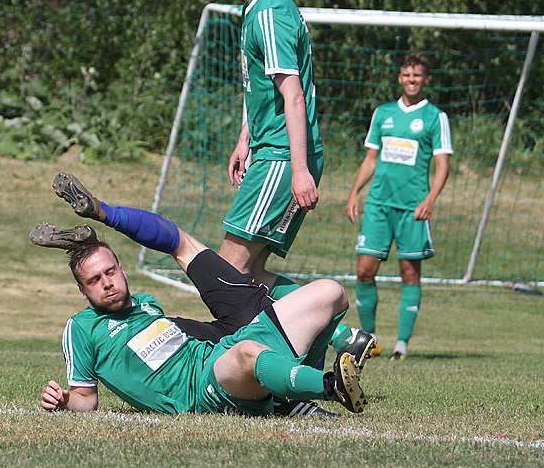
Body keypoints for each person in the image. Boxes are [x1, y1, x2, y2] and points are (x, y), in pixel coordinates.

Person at [31, 173, 376, 416]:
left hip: (225, 337)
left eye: (110, 272)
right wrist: (64, 402)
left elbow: (176, 242)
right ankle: (330, 384)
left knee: (331, 293)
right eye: (94, 280)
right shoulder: (83, 327)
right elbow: (83, 398)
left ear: (123, 269)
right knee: (247, 348)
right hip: (215, 372)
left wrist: (105, 214)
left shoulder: (148, 305)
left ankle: (292, 392)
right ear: (81, 290)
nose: (107, 283)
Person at [211, 0, 323, 301]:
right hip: (269, 152)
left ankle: (240, 354)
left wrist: (300, 169)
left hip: (282, 158)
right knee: (250, 271)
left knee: (226, 270)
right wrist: (245, 139)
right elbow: (258, 87)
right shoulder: (256, 7)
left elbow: (293, 97)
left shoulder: (270, 14)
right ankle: (343, 335)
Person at [342, 52, 454, 360]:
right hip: (378, 204)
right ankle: (370, 342)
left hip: (412, 208)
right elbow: (371, 158)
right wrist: (354, 192)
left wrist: (430, 199)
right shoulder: (383, 113)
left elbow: (443, 165)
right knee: (364, 271)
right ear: (400, 78)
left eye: (417, 75)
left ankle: (402, 345)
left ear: (425, 79)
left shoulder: (435, 117)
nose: (412, 80)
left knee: (409, 273)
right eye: (407, 75)